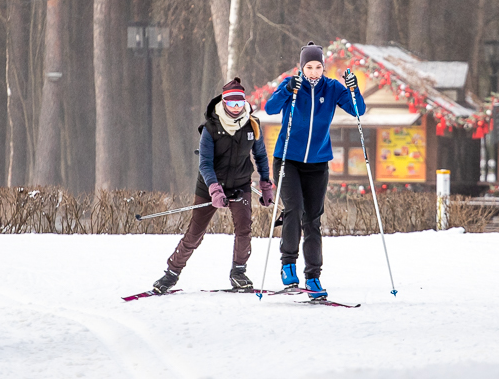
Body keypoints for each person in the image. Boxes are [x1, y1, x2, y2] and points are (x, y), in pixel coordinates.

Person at [152, 78, 275, 293]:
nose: (236, 107)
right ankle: (171, 274)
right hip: (210, 185)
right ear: (224, 102)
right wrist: (215, 189)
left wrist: (265, 184)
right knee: (195, 233)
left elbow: (261, 155)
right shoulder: (211, 127)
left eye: (239, 102)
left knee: (244, 229)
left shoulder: (252, 124)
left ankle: (238, 272)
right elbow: (205, 164)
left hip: (240, 183)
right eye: (231, 102)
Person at [264, 42, 365, 298]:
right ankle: (288, 263)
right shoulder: (291, 84)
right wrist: (287, 90)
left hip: (318, 163)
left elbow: (358, 110)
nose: (314, 71)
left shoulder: (331, 88)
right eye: (309, 66)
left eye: (318, 66)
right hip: (288, 159)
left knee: (312, 219)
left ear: (323, 67)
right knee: (294, 208)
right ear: (302, 67)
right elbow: (270, 108)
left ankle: (313, 277)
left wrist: (354, 90)